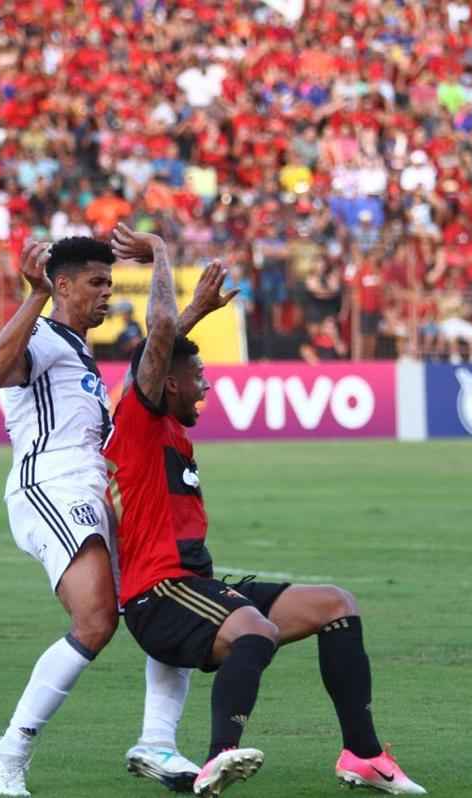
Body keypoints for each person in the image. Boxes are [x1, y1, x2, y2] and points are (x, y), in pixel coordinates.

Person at [103, 229, 426, 797]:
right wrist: (160, 253)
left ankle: (365, 755)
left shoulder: (171, 425)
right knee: (256, 629)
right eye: (197, 380)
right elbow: (156, 340)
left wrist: (196, 313)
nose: (205, 389)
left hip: (194, 587)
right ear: (168, 384)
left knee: (335, 605)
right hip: (158, 596)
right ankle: (218, 759)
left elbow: (165, 347)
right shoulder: (139, 420)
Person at [0, 234, 198, 797]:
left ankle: (158, 742)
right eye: (97, 283)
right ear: (64, 285)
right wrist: (33, 297)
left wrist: (192, 314)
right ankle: (9, 753)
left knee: (165, 600)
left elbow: (139, 389)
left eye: (110, 283)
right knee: (97, 621)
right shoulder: (45, 334)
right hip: (50, 485)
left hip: (96, 491)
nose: (107, 294)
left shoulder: (77, 350)